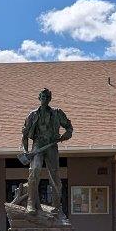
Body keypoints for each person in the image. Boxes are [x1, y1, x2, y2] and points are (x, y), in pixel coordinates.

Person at [20, 87, 74, 221]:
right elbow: (25, 135)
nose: (44, 99)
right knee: (35, 169)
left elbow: (69, 127)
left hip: (51, 145)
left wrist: (66, 134)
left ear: (50, 99)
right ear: (39, 98)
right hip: (37, 145)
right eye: (42, 97)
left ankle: (57, 207)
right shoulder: (32, 115)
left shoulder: (57, 113)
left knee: (54, 174)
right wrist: (26, 151)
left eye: (47, 97)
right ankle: (31, 204)